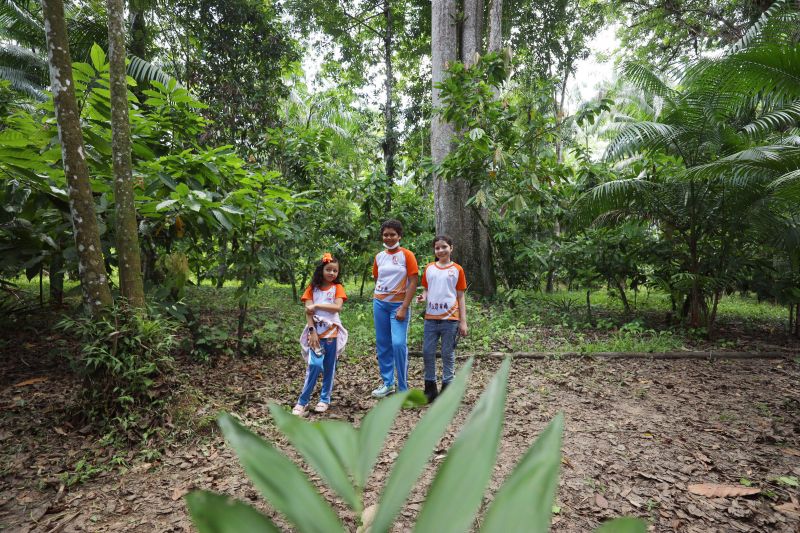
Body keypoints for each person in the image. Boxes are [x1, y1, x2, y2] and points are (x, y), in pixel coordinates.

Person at [292, 253, 348, 416]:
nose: (331, 273)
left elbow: (337, 307)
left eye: (335, 271)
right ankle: (302, 402)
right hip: (316, 333)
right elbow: (308, 312)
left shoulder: (337, 288)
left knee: (330, 367)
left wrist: (317, 305)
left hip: (332, 334)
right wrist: (312, 331)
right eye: (328, 270)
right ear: (321, 270)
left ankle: (325, 399)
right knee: (314, 366)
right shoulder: (311, 289)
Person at [416, 235, 468, 403]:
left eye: (444, 247)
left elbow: (460, 297)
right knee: (427, 352)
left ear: (451, 248)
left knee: (447, 353)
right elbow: (426, 289)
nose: (441, 250)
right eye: (437, 248)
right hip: (431, 318)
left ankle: (448, 389)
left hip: (450, 319)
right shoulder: (429, 268)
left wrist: (463, 321)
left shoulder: (457, 270)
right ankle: (430, 389)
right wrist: (423, 296)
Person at [371, 219, 419, 398]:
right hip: (380, 304)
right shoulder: (379, 257)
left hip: (399, 306)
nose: (389, 237)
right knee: (383, 344)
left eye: (392, 234)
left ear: (399, 235)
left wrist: (404, 307)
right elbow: (378, 279)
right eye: (385, 234)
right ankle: (388, 383)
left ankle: (403, 387)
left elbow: (414, 281)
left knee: (398, 344)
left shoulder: (407, 255)